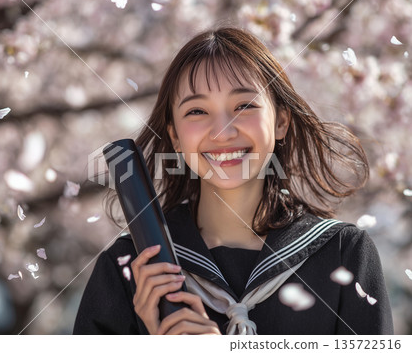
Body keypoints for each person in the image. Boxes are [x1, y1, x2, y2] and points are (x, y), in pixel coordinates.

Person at [73, 27, 393, 335]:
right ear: (175, 136)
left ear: (281, 121)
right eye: (197, 111)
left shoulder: (343, 252)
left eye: (244, 105)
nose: (223, 132)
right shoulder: (127, 266)